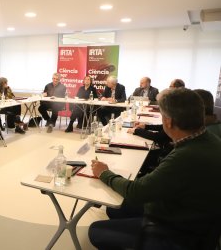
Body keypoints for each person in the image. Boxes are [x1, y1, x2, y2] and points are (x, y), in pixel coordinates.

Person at [89, 88, 221, 250]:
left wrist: (104, 173)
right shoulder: (210, 139)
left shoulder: (185, 156)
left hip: (176, 230)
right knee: (115, 209)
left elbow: (136, 192)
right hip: (191, 217)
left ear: (168, 122)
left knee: (96, 231)